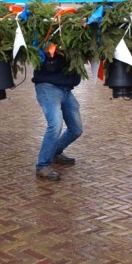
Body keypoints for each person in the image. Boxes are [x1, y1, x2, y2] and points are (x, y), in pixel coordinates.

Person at [32, 51, 83, 181]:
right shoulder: (48, 39)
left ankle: (55, 152)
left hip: (66, 89)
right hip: (47, 87)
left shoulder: (75, 42)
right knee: (55, 124)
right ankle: (42, 165)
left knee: (76, 129)